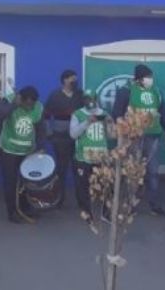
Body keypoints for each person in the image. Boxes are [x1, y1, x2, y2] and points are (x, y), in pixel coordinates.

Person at [112, 64, 165, 217]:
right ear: (139, 78)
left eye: (151, 77)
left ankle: (154, 205)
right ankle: (130, 204)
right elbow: (117, 113)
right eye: (148, 77)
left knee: (152, 172)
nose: (150, 80)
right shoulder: (126, 91)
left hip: (153, 136)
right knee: (133, 172)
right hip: (134, 137)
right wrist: (123, 131)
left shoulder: (156, 91)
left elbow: (163, 110)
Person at [0, 86, 45, 223]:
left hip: (27, 151)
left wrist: (41, 147)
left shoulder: (39, 107)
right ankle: (12, 212)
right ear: (20, 99)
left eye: (32, 104)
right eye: (26, 103)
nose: (29, 106)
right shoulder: (9, 101)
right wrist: (13, 105)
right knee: (11, 182)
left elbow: (41, 129)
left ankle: (26, 208)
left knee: (26, 181)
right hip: (8, 149)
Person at [69, 89, 114, 229]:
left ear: (97, 99)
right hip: (83, 157)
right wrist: (86, 122)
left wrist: (110, 123)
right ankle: (86, 212)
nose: (90, 102)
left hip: (101, 157)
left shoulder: (104, 113)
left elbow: (112, 136)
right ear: (83, 100)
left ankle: (105, 213)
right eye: (87, 99)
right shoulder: (78, 114)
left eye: (92, 99)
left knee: (105, 185)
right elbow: (73, 134)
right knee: (83, 186)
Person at [43, 70, 84, 208]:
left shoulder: (80, 95)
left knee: (78, 168)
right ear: (65, 80)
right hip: (60, 137)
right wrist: (50, 134)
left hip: (78, 136)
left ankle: (82, 200)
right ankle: (59, 199)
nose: (75, 81)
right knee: (61, 169)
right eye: (73, 79)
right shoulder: (55, 96)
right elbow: (46, 116)